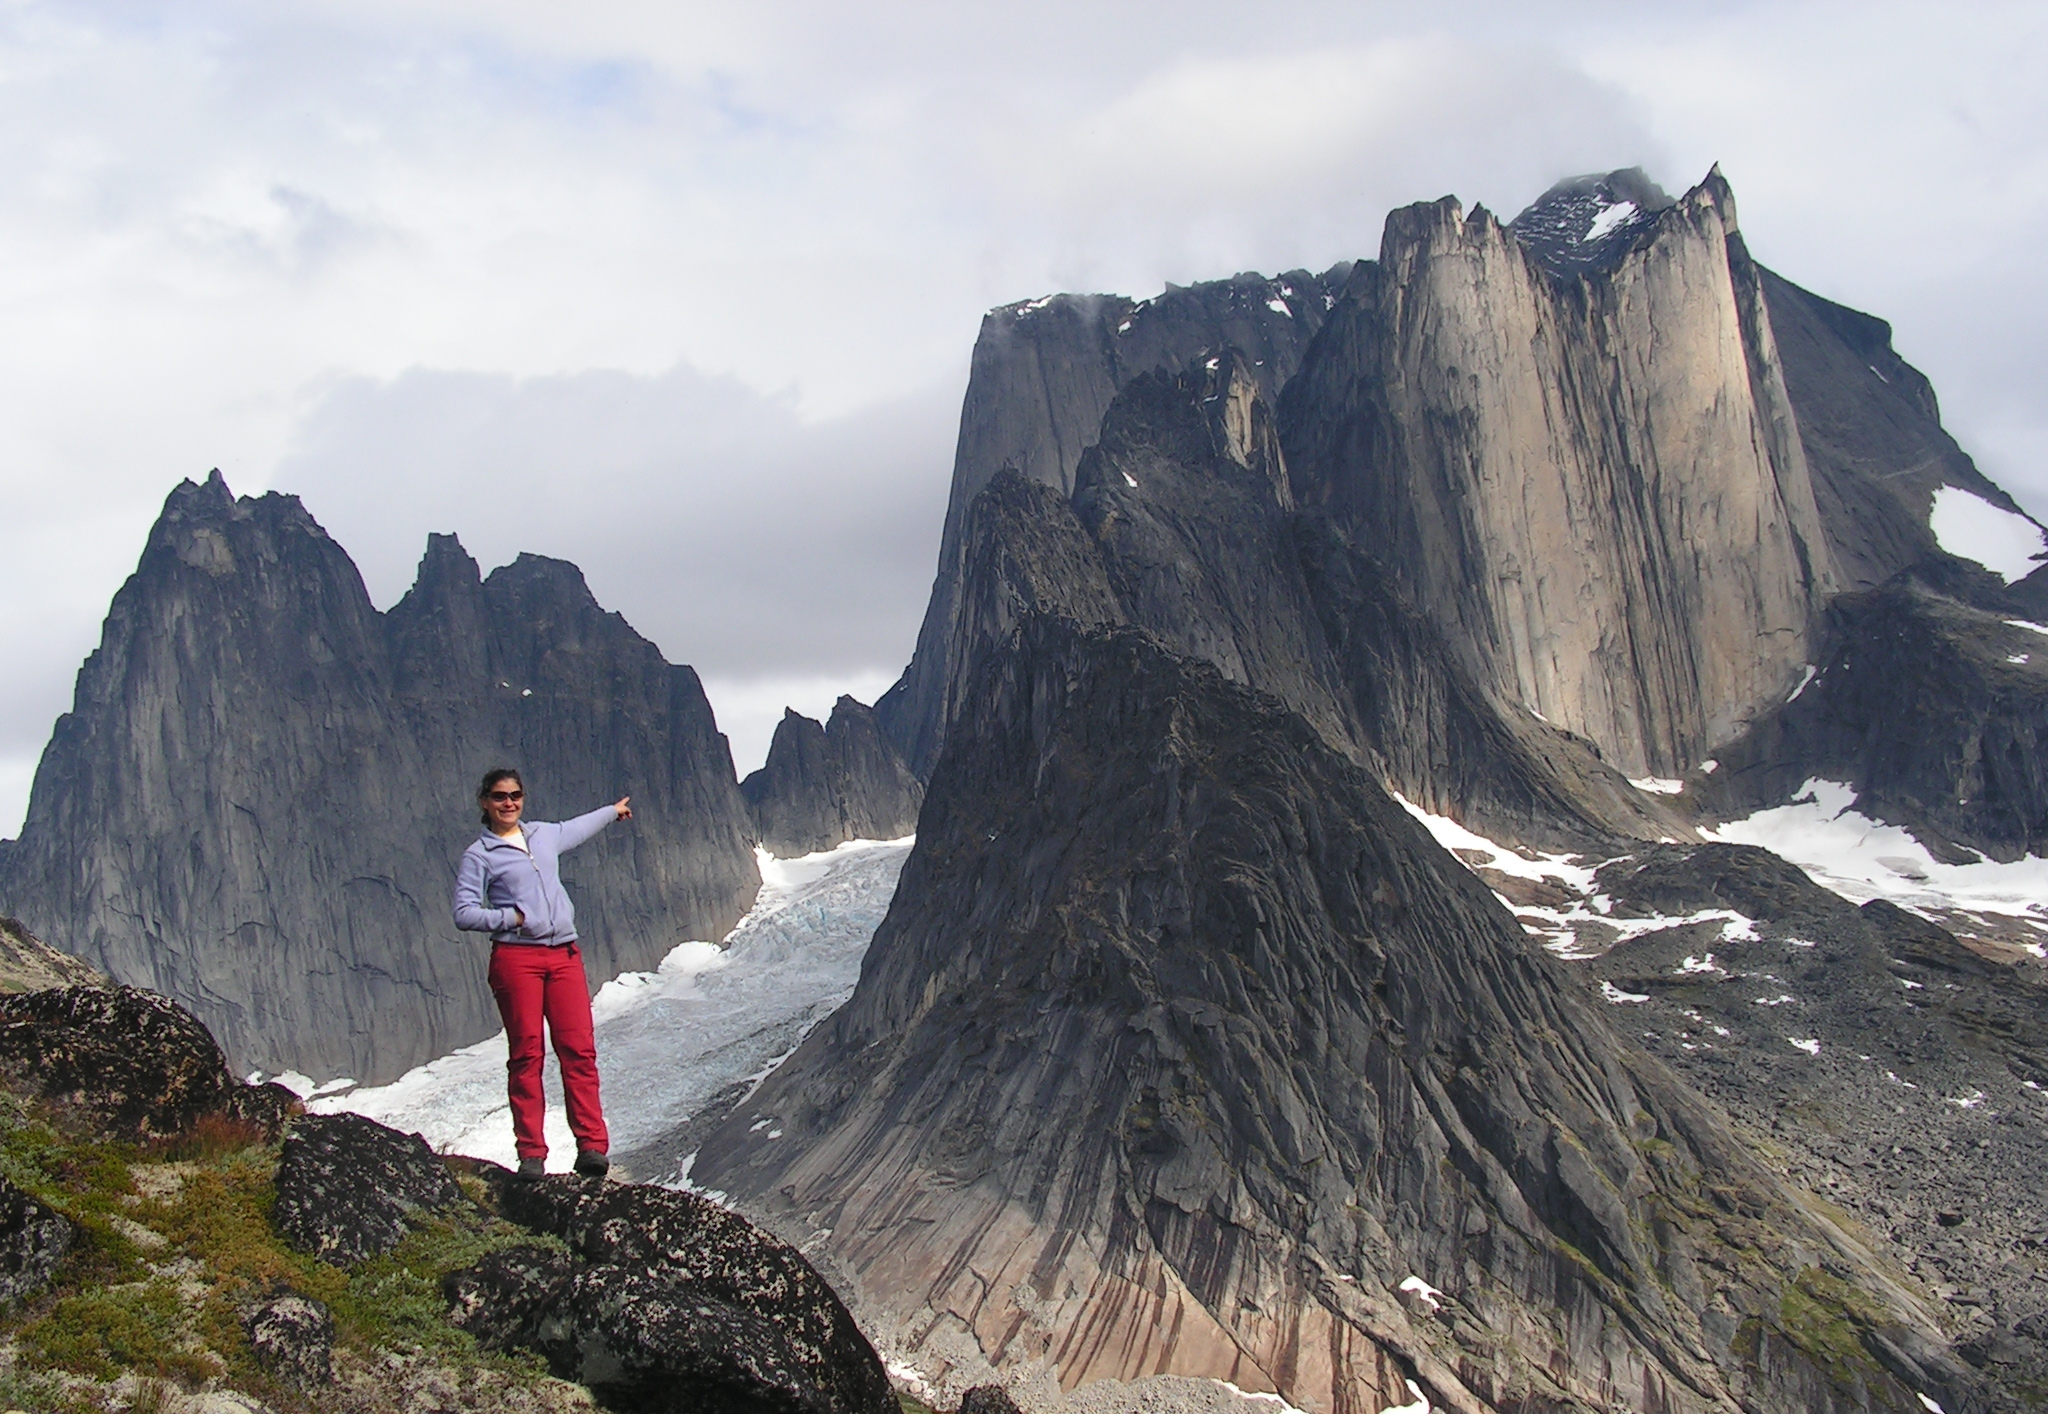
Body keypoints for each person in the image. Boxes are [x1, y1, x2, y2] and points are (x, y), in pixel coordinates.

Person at [452, 768, 632, 1179]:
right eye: (499, 797)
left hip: (564, 955)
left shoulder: (543, 835)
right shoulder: (479, 855)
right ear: (485, 802)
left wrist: (611, 811)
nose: (509, 803)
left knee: (579, 1051)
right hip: (517, 959)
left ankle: (591, 1148)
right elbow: (463, 913)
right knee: (527, 1054)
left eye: (515, 795)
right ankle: (531, 1154)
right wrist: (512, 917)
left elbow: (578, 827)